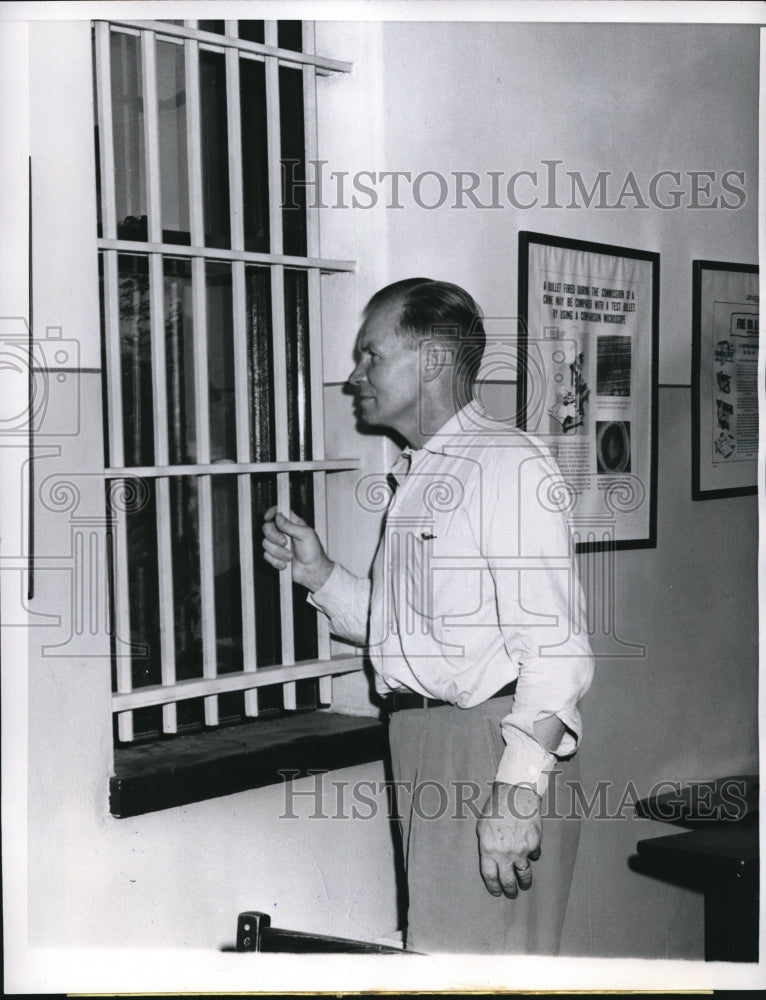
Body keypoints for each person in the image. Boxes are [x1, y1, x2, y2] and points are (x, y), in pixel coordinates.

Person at [262, 279, 594, 954]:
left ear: (434, 361)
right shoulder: (423, 473)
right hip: (425, 746)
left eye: (371, 356)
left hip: (488, 749)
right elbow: (412, 635)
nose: (355, 377)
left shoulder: (506, 465)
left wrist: (518, 791)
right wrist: (321, 574)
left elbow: (557, 651)